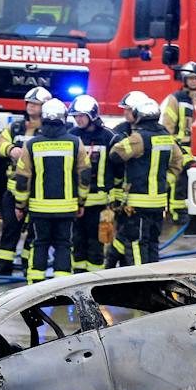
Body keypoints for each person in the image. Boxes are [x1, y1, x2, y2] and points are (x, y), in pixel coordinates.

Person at [12, 98, 90, 283]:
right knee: (64, 245)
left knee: (39, 244)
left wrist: (20, 206)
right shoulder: (75, 143)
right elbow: (85, 175)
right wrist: (81, 202)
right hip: (67, 208)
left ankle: (34, 287)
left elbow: (23, 178)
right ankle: (61, 287)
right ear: (64, 118)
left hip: (39, 210)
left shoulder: (31, 144)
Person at [107, 92, 185, 267]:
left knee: (137, 242)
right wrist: (165, 182)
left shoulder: (139, 138)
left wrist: (122, 139)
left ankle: (138, 280)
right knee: (152, 242)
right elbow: (178, 162)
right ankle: (152, 277)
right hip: (158, 202)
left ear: (138, 115)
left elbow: (115, 154)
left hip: (138, 202)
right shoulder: (167, 138)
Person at [0, 87, 49, 276]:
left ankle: (28, 263)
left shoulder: (49, 130)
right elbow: (0, 144)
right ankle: (3, 264)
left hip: (37, 190)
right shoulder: (15, 127)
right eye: (29, 103)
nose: (31, 106)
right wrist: (10, 149)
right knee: (10, 226)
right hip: (13, 188)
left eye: (36, 104)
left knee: (34, 230)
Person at [69, 95, 117, 272]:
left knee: (96, 241)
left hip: (99, 201)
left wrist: (114, 196)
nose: (78, 119)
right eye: (75, 116)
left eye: (81, 115)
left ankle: (94, 278)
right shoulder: (72, 136)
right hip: (76, 200)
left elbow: (118, 169)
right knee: (77, 240)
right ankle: (78, 276)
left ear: (92, 116)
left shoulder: (108, 137)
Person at [160, 63, 196, 220]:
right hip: (181, 146)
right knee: (182, 174)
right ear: (184, 80)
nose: (194, 82)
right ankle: (178, 210)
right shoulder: (176, 99)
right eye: (190, 78)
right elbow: (167, 125)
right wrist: (173, 146)